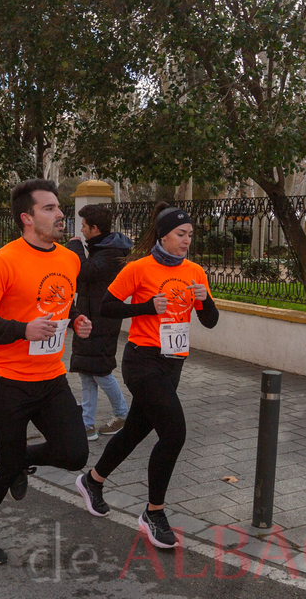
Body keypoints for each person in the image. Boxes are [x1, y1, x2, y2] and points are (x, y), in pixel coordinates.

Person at [0, 180, 93, 565]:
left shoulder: (70, 259)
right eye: (49, 208)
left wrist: (75, 321)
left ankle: (16, 460)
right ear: (27, 218)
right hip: (10, 380)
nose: (60, 214)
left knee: (74, 453)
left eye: (59, 207)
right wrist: (22, 330)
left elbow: (57, 306)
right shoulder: (5, 260)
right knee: (1, 472)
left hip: (51, 379)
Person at [74, 205, 219, 551]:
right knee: (174, 434)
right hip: (141, 361)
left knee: (136, 430)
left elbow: (210, 321)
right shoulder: (139, 268)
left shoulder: (196, 271)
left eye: (190, 236)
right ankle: (154, 513)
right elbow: (107, 307)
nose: (187, 241)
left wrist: (206, 302)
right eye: (181, 235)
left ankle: (93, 481)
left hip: (174, 363)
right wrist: (145, 308)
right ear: (164, 235)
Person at [66, 203, 133, 442]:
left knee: (101, 371)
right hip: (89, 317)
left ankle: (123, 414)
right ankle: (86, 424)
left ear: (95, 228)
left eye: (83, 226)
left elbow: (83, 272)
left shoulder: (110, 252)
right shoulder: (102, 247)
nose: (81, 230)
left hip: (100, 321)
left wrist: (74, 246)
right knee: (87, 372)